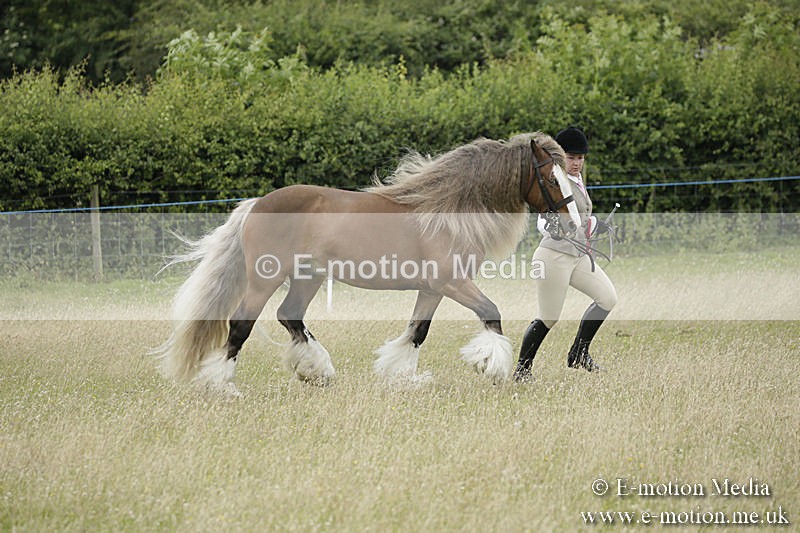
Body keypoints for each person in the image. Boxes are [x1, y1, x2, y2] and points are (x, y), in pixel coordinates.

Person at [514, 126, 617, 381]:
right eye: (571, 157)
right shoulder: (553, 180)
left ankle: (579, 354)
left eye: (580, 158)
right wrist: (558, 226)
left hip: (578, 256)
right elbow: (542, 220)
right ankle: (522, 371)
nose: (576, 163)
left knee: (607, 298)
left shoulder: (579, 181)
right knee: (549, 318)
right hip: (554, 256)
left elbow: (579, 216)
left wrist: (595, 224)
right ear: (561, 157)